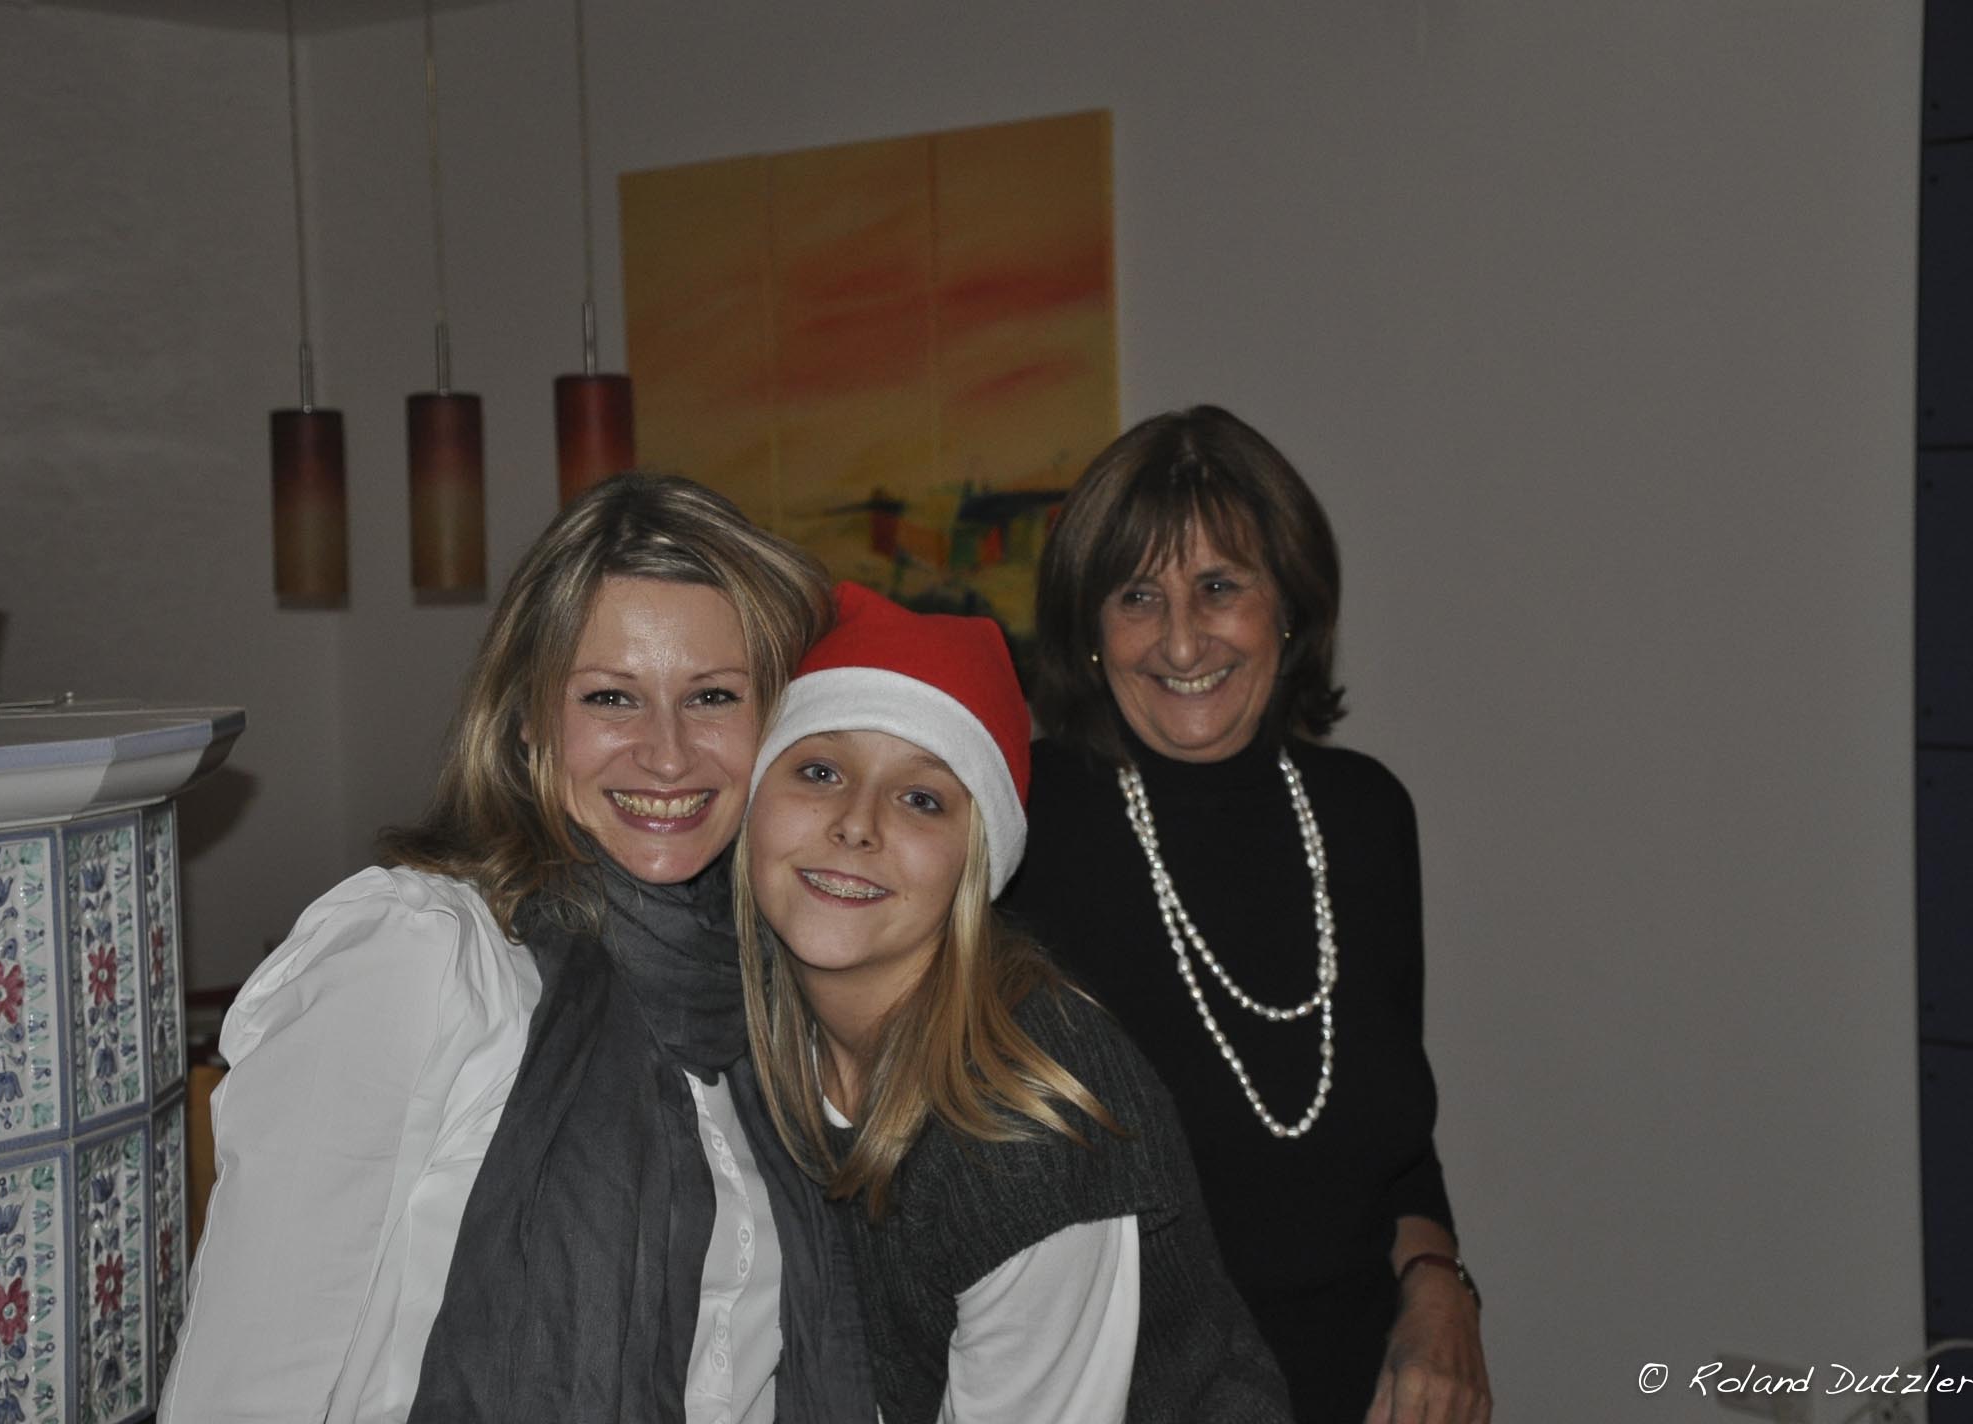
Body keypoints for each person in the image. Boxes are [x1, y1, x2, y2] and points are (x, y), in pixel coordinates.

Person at [161, 473, 875, 1424]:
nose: (667, 754)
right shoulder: (417, 958)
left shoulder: (774, 993)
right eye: (611, 697)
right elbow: (249, 1389)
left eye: (712, 696)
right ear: (529, 716)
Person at [1003, 405, 1491, 1424]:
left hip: (1363, 1391)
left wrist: (1440, 1286)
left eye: (1219, 586)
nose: (1182, 639)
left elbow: (1395, 1143)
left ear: (1290, 608)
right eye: (1137, 595)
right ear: (1090, 632)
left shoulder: (1365, 816)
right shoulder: (1017, 824)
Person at [735, 581, 1292, 1424]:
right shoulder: (738, 1041)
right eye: (819, 771)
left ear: (979, 860)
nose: (856, 824)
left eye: (922, 798)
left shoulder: (1025, 1126)